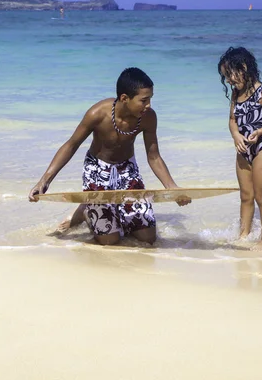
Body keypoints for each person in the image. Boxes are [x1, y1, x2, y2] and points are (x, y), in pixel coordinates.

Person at [29, 67, 188, 246]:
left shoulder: (148, 117)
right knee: (110, 240)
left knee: (148, 238)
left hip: (127, 168)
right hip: (97, 168)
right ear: (124, 98)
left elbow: (154, 156)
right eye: (144, 100)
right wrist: (44, 181)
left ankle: (100, 208)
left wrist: (172, 188)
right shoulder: (97, 114)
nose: (148, 105)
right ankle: (85, 211)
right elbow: (71, 145)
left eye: (150, 99)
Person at [218, 47, 262, 248]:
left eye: (229, 74)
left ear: (244, 67)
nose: (229, 80)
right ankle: (243, 236)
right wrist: (235, 135)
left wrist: (260, 131)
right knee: (245, 196)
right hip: (242, 149)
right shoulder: (235, 94)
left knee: (260, 196)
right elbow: (232, 120)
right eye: (225, 77)